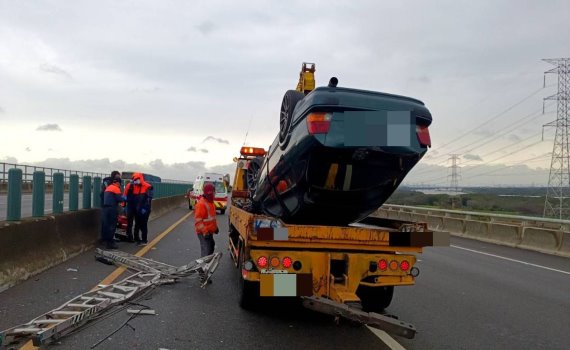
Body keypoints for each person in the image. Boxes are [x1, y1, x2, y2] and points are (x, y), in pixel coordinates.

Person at [194, 182, 219, 282]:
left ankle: (203, 270)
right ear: (210, 193)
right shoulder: (201, 204)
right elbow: (198, 222)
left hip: (209, 232)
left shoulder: (210, 202)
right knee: (206, 253)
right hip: (203, 233)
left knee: (210, 249)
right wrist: (205, 232)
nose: (214, 194)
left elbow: (212, 219)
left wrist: (215, 228)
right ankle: (202, 275)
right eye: (213, 192)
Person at [101, 176, 125, 249]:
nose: (120, 185)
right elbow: (120, 199)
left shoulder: (108, 187)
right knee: (112, 226)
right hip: (112, 209)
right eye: (120, 184)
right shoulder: (116, 188)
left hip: (105, 208)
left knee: (106, 225)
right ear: (118, 183)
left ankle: (105, 241)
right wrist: (125, 198)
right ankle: (110, 243)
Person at [131, 173, 153, 246]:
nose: (135, 181)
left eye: (136, 180)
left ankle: (144, 240)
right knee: (137, 224)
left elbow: (149, 199)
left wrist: (144, 209)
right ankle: (137, 239)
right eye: (134, 180)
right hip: (137, 209)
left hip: (144, 209)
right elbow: (134, 199)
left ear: (140, 179)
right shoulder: (135, 187)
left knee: (143, 224)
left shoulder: (148, 187)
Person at [100, 171, 121, 242]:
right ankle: (109, 240)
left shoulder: (107, 182)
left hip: (105, 205)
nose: (119, 178)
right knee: (111, 224)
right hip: (110, 206)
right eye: (118, 176)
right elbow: (118, 197)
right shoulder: (111, 184)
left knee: (106, 223)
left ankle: (105, 239)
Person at [122, 176, 137, 243]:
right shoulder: (140, 186)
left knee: (129, 222)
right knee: (135, 223)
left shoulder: (129, 186)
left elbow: (124, 196)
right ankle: (134, 237)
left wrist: (123, 205)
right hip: (135, 207)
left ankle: (129, 237)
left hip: (130, 206)